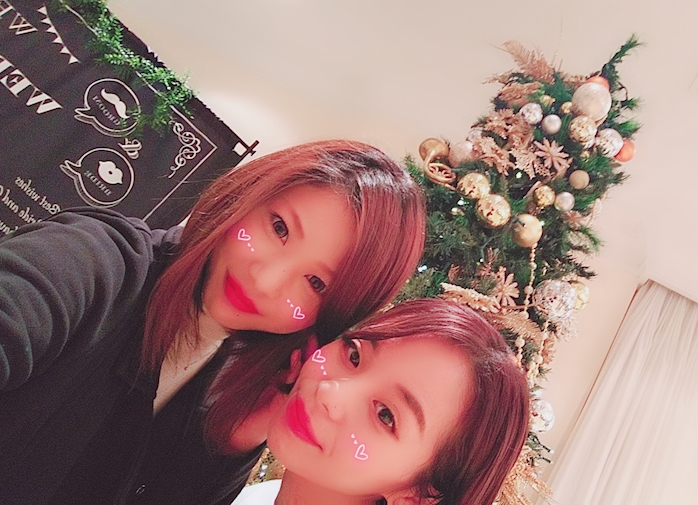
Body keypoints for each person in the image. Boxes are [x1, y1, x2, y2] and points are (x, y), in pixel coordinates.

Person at [0, 140, 426, 505]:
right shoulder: (96, 263)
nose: (265, 280)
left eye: (315, 283)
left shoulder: (224, 378)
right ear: (246, 195)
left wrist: (228, 449)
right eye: (278, 228)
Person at [228, 299, 530, 505]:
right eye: (354, 355)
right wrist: (232, 447)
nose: (329, 392)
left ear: (415, 496)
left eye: (385, 415)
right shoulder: (255, 491)